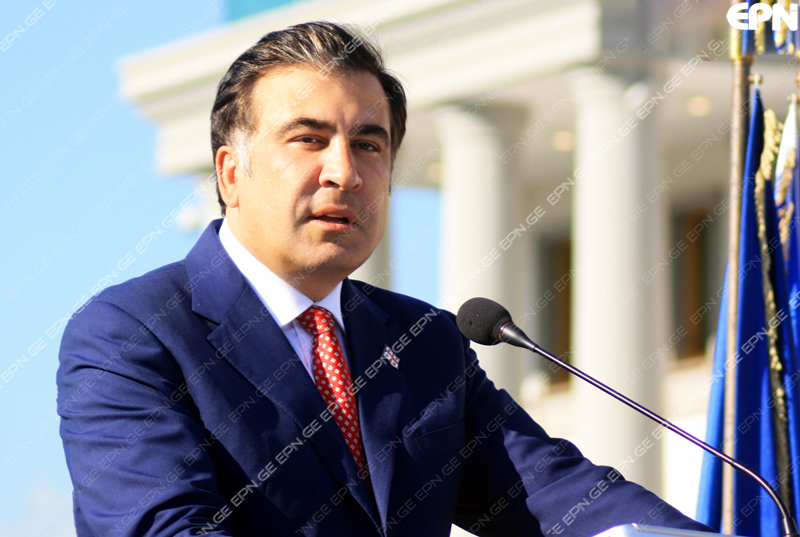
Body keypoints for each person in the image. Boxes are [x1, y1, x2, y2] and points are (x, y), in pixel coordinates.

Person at [57, 21, 712, 537]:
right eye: (309, 139)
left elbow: (557, 494)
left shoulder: (425, 340)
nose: (345, 171)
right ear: (232, 173)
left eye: (369, 144)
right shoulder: (132, 335)